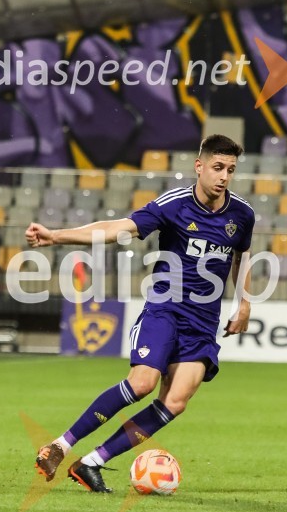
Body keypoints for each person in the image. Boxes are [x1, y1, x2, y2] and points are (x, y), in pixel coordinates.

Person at [26, 134, 255, 492]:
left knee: (176, 401)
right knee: (143, 383)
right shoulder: (173, 205)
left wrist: (244, 302)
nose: (224, 176)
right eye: (217, 168)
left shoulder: (242, 214)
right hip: (165, 310)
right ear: (199, 166)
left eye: (230, 169)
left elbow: (243, 254)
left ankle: (91, 463)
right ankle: (61, 444)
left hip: (203, 323)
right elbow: (117, 228)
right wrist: (57, 237)